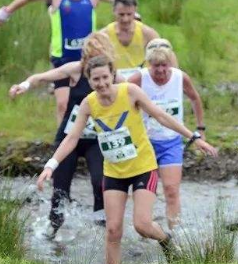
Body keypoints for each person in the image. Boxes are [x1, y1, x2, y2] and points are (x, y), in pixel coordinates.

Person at [37, 54, 217, 264]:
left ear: (112, 75)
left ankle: (166, 240)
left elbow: (161, 115)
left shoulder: (129, 92)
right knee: (113, 231)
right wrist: (51, 165)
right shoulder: (89, 104)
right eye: (96, 79)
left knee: (142, 225)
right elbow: (72, 138)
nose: (102, 83)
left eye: (105, 77)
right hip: (114, 171)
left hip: (143, 167)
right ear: (89, 80)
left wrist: (194, 138)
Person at [9, 31, 116, 232]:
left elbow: (136, 90)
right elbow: (41, 77)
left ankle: (101, 231)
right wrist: (24, 85)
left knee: (99, 182)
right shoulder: (76, 70)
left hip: (96, 140)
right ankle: (53, 231)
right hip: (69, 137)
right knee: (60, 188)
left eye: (98, 57)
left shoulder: (112, 76)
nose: (93, 64)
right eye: (89, 57)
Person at [0, 0, 118, 124]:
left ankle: (92, 137)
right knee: (62, 104)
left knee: (91, 101)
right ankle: (61, 141)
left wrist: (134, 14)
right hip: (62, 57)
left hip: (87, 57)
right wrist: (5, 13)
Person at [128, 44, 205, 229]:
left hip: (171, 142)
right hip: (145, 144)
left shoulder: (180, 77)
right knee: (145, 191)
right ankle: (146, 227)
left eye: (165, 65)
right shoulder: (140, 78)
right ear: (149, 65)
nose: (161, 71)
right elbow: (120, 96)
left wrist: (200, 128)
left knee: (171, 190)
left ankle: (175, 234)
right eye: (156, 66)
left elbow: (195, 98)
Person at [104, 0, 159, 79]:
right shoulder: (104, 35)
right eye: (121, 14)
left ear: (135, 11)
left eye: (129, 14)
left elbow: (165, 54)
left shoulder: (148, 33)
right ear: (114, 11)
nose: (125, 19)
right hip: (115, 81)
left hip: (142, 80)